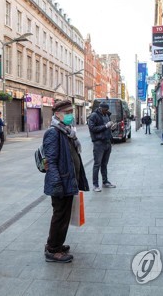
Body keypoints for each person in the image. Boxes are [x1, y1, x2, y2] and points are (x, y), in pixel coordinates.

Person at [43, 100, 89, 263]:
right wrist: (57, 185)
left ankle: (56, 244)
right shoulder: (53, 133)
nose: (71, 115)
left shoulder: (66, 131)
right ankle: (52, 249)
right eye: (67, 113)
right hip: (60, 184)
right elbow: (51, 161)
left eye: (71, 112)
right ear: (57, 115)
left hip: (67, 182)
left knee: (64, 216)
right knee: (60, 216)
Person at [88, 102, 117, 192]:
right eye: (105, 109)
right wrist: (105, 126)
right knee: (97, 164)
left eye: (107, 110)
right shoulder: (93, 116)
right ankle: (95, 185)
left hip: (107, 142)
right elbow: (92, 128)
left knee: (104, 164)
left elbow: (106, 128)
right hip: (99, 143)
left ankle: (105, 182)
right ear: (100, 108)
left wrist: (111, 128)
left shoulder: (107, 115)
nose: (106, 111)